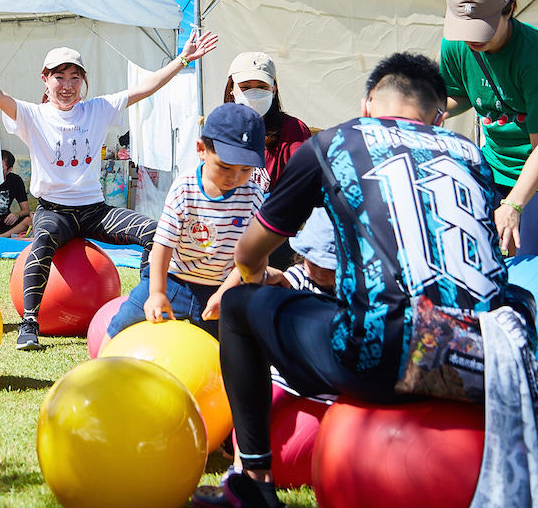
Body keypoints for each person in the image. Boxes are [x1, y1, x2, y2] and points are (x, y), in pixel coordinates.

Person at [192, 53, 510, 508]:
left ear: (366, 105)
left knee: (242, 307)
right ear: (440, 117)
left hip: (388, 354)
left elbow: (248, 252)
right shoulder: (472, 154)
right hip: (487, 362)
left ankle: (254, 481)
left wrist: (251, 279)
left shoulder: (335, 142)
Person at [0, 33, 219, 350]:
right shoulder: (33, 115)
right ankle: (29, 324)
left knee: (153, 231)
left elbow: (147, 86)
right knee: (42, 240)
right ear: (45, 80)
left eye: (75, 77)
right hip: (53, 211)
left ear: (83, 81)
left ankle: (145, 305)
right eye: (59, 77)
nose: (67, 85)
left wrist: (182, 60)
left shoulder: (98, 109)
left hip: (94, 212)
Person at [107, 103, 264, 340]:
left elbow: (251, 258)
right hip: (173, 281)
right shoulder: (185, 188)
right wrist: (157, 292)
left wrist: (226, 292)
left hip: (222, 286)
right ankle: (100, 369)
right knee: (121, 326)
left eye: (245, 169)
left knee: (235, 346)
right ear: (201, 149)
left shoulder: (253, 196)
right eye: (224, 166)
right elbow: (162, 246)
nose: (234, 177)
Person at [439, 0, 538, 257]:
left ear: (510, 9)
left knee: (523, 265)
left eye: (483, 26)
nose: (472, 38)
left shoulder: (532, 56)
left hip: (531, 178)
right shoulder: (456, 45)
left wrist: (514, 205)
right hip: (493, 171)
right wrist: (419, 114)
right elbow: (457, 94)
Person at [222, 52, 312, 269]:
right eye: (246, 86)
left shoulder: (293, 130)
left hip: (275, 233)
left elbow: (303, 185)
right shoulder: (222, 127)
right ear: (232, 90)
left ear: (274, 88)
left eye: (261, 86)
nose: (254, 93)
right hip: (225, 228)